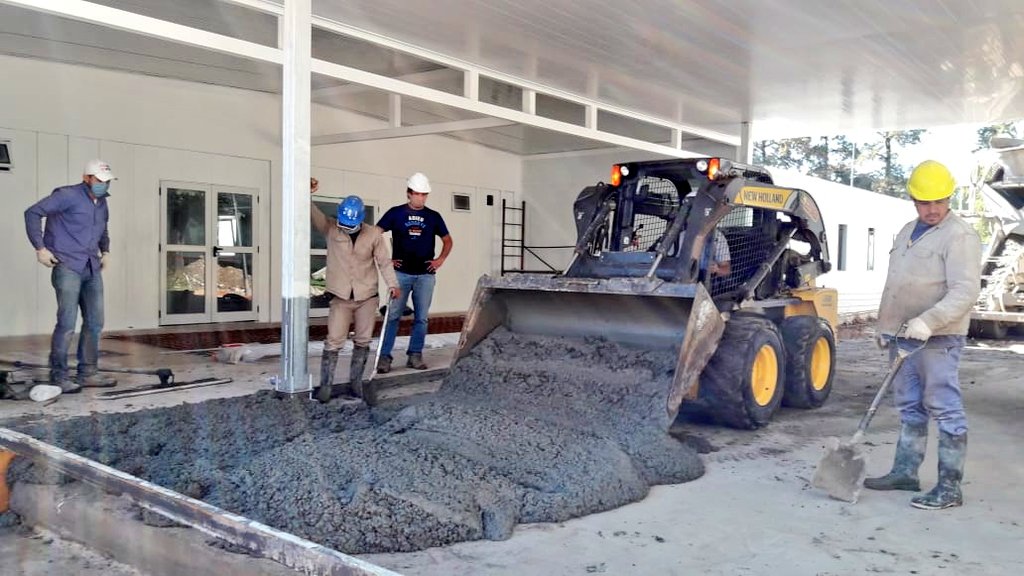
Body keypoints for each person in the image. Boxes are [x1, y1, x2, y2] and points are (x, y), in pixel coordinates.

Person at [867, 160, 982, 510]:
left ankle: (949, 488)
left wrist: (929, 321)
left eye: (940, 201)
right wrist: (886, 326)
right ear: (913, 200)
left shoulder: (959, 236)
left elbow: (965, 291)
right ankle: (905, 472)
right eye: (925, 202)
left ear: (949, 198)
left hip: (938, 339)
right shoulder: (906, 231)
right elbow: (899, 282)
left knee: (944, 407)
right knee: (909, 407)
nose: (933, 209)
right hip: (903, 336)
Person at [24, 159, 120, 392]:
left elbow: (102, 228)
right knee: (67, 324)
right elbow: (33, 212)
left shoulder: (102, 203)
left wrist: (105, 251)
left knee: (95, 322)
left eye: (107, 182)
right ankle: (59, 377)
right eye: (99, 181)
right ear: (87, 178)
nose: (104, 185)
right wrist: (40, 248)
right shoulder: (66, 195)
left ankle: (88, 373)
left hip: (91, 267)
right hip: (67, 265)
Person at [310, 178, 399, 404]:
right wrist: (306, 192)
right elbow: (310, 210)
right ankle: (326, 387)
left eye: (351, 224)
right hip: (340, 297)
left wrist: (393, 285)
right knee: (333, 341)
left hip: (366, 297)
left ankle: (356, 384)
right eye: (344, 222)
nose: (346, 227)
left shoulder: (373, 236)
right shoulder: (330, 228)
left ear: (360, 219)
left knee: (363, 341)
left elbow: (384, 262)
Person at [376, 172, 453, 373]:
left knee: (421, 318)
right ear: (409, 193)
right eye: (417, 194)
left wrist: (440, 260)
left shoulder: (433, 216)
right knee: (393, 316)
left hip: (425, 275)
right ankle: (384, 357)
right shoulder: (395, 213)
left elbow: (447, 240)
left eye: (424, 194)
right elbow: (375, 235)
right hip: (400, 274)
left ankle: (415, 355)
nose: (421, 198)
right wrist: (386, 260)